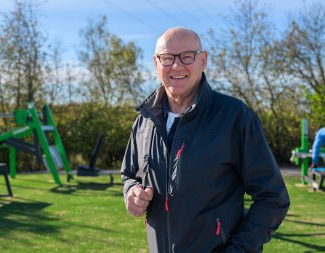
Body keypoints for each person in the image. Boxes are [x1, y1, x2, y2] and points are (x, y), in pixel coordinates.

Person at [120, 27, 290, 253]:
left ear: (203, 60)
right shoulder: (144, 121)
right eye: (168, 58)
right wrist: (131, 192)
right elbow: (129, 174)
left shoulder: (234, 116)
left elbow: (272, 198)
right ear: (156, 63)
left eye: (187, 56)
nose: (177, 66)